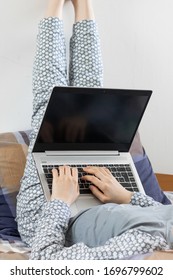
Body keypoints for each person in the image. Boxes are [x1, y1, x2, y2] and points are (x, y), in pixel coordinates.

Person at [16, 0, 173, 260]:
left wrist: (60, 201)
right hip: (110, 200)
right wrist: (128, 197)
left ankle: (55, 7)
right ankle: (84, 6)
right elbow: (161, 213)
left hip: (51, 218)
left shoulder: (141, 244)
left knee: (49, 106)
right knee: (91, 102)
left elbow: (45, 259)